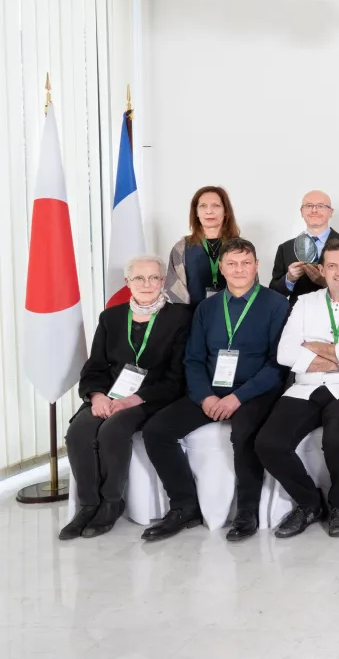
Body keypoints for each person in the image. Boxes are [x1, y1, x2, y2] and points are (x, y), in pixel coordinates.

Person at [141, 238, 290, 543]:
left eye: (246, 263)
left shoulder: (277, 304)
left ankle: (247, 510)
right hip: (211, 390)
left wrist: (237, 398)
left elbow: (278, 364)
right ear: (221, 268)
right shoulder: (206, 308)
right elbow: (193, 359)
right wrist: (205, 396)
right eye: (232, 263)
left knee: (244, 431)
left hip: (255, 392)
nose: (239, 269)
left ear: (256, 266)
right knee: (156, 430)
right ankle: (184, 506)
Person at [255, 238, 339, 539]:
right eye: (332, 266)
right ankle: (309, 502)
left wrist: (312, 346)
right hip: (306, 387)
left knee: (338, 437)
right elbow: (285, 353)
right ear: (322, 269)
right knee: (268, 443)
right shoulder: (305, 303)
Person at [59, 255, 191, 540]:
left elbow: (176, 377)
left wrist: (133, 400)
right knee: (78, 432)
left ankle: (111, 503)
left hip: (152, 397)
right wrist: (97, 397)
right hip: (110, 394)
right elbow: (95, 366)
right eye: (139, 278)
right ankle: (87, 506)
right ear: (127, 282)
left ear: (163, 281)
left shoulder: (180, 317)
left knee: (113, 429)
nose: (147, 284)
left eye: (154, 278)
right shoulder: (111, 317)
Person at [268, 190, 339, 309]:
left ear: (330, 212)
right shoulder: (285, 248)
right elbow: (273, 294)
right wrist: (289, 279)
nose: (314, 210)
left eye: (320, 206)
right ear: (302, 211)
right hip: (299, 314)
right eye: (309, 206)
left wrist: (325, 282)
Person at [165, 185, 240, 306]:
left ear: (226, 211)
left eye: (216, 206)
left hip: (235, 314)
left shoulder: (240, 247)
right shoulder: (181, 248)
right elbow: (175, 290)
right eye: (203, 206)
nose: (209, 211)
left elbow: (250, 286)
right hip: (192, 314)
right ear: (196, 212)